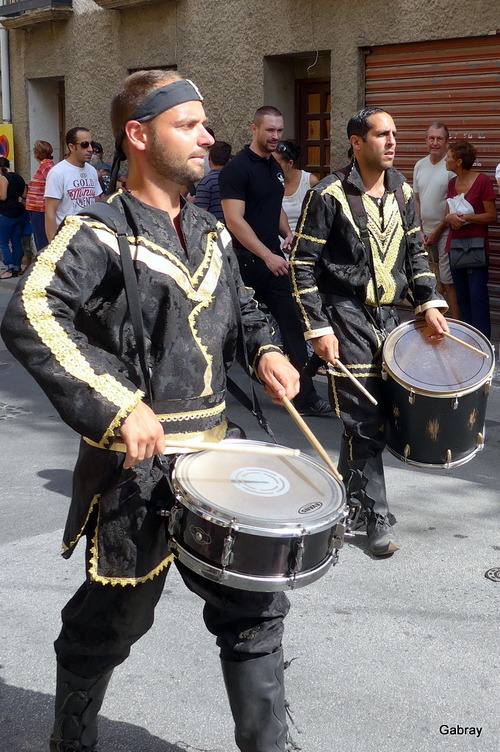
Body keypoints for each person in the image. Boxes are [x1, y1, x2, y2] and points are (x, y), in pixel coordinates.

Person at [1, 69, 300, 752]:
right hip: (136, 471)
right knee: (114, 618)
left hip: (215, 462)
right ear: (139, 135)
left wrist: (265, 351)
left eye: (205, 124)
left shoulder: (209, 230)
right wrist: (118, 405)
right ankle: (71, 738)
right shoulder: (97, 231)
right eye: (188, 124)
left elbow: (244, 312)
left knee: (254, 612)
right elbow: (30, 314)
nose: (207, 136)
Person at [290, 107, 449, 555]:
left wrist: (429, 302)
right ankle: (378, 514)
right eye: (382, 135)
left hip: (389, 318)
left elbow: (416, 252)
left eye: (395, 133)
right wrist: (317, 328)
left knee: (367, 416)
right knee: (365, 417)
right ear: (357, 143)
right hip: (344, 316)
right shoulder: (328, 194)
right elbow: (302, 264)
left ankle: (347, 498)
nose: (392, 141)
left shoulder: (402, 189)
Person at [220, 106, 331, 417]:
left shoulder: (276, 167)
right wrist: (266, 255)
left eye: (279, 131)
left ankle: (304, 396)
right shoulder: (237, 169)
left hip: (274, 261)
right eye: (269, 130)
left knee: (294, 324)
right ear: (254, 129)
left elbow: (275, 207)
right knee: (228, 329)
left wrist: (286, 232)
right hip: (244, 262)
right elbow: (234, 220)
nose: (275, 137)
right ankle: (209, 391)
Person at [443, 140, 496, 339]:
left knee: (478, 298)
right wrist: (450, 218)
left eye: (448, 157)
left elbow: (491, 216)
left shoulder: (482, 181)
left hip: (475, 249)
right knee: (462, 298)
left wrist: (466, 218)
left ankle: (483, 344)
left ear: (458, 161)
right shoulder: (451, 183)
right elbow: (448, 211)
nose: (445, 160)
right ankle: (466, 341)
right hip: (455, 247)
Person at [413, 122, 460, 318]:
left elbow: (453, 204)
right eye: (431, 138)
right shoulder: (419, 165)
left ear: (446, 142)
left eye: (439, 139)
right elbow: (417, 200)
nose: (435, 143)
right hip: (424, 234)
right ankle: (429, 324)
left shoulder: (450, 166)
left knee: (447, 282)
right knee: (426, 281)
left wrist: (437, 232)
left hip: (445, 231)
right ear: (426, 141)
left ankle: (457, 328)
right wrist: (420, 229)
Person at [44, 127, 102, 242]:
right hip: (68, 239)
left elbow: (98, 203)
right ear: (71, 147)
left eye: (92, 144)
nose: (90, 149)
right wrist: (53, 246)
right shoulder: (58, 173)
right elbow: (50, 212)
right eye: (85, 145)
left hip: (91, 238)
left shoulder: (92, 171)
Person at [273, 138, 318, 241]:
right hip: (277, 243)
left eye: (276, 164)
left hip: (304, 242)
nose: (272, 167)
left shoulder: (309, 181)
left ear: (290, 163)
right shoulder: (270, 182)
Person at [25, 139, 55, 253]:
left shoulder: (46, 165)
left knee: (41, 239)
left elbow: (52, 182)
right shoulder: (46, 164)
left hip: (39, 207)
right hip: (38, 207)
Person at [0, 156, 27, 280]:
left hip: (6, 213)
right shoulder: (19, 177)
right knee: (16, 241)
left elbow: (3, 196)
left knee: (3, 242)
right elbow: (24, 195)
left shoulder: (4, 178)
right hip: (19, 213)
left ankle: (9, 268)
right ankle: (16, 267)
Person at [194, 139, 231, 221]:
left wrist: (190, 203)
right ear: (229, 160)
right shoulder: (236, 179)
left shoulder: (206, 182)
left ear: (209, 158)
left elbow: (201, 214)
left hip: (215, 230)